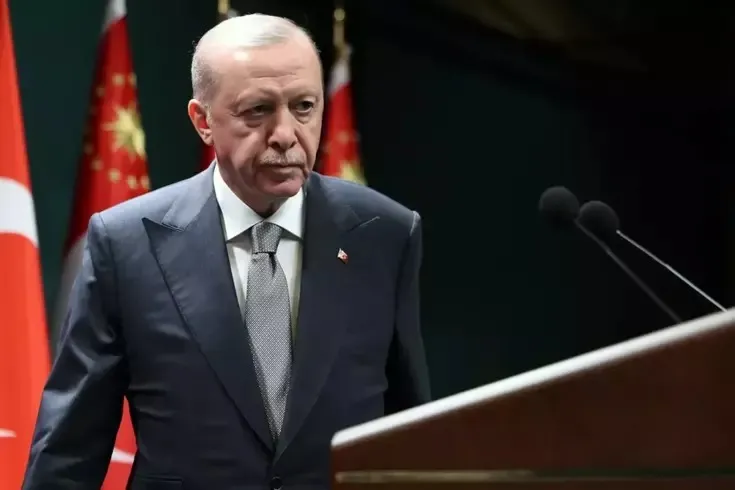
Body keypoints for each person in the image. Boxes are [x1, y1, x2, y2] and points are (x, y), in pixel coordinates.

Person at [22, 13, 430, 490]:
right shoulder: (126, 243)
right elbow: (68, 453)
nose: (285, 133)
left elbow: (413, 435)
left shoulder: (385, 234)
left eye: (304, 106)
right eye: (257, 110)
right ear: (203, 121)